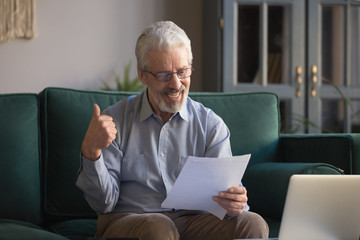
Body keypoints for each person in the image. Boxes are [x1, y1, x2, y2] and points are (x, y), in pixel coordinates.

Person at [76, 21, 269, 240]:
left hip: (194, 222)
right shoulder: (115, 121)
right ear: (143, 75)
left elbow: (228, 197)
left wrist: (234, 203)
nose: (176, 84)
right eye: (164, 75)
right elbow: (103, 203)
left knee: (252, 223)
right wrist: (91, 151)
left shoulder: (210, 125)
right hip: (130, 220)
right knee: (158, 227)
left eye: (182, 71)